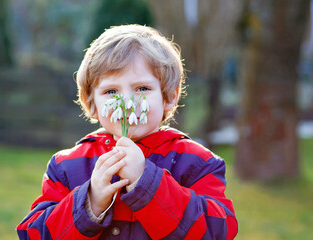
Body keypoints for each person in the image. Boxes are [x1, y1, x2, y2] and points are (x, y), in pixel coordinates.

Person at [16, 24, 238, 239]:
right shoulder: (66, 166)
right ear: (91, 103)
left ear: (169, 96)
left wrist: (147, 183)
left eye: (142, 88)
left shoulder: (197, 162)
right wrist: (90, 203)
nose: (127, 101)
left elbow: (219, 230)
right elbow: (34, 234)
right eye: (111, 91)